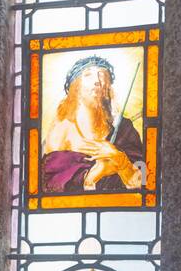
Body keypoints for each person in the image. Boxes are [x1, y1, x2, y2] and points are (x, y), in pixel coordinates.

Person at [42, 56, 145, 194]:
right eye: (88, 75)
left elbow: (143, 182)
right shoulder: (61, 131)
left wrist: (119, 159)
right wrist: (91, 176)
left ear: (108, 87)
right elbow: (48, 184)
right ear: (76, 87)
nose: (97, 81)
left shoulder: (124, 130)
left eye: (102, 75)